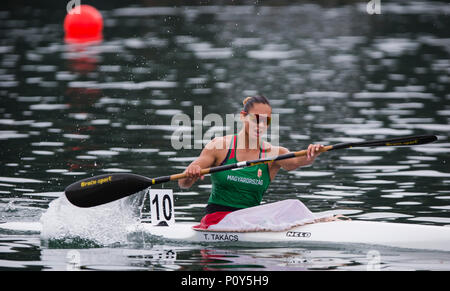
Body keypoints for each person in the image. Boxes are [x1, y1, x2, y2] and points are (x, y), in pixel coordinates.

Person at [178, 95, 345, 229]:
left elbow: (297, 162)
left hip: (252, 221)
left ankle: (324, 223)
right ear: (243, 117)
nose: (261, 125)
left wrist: (312, 153)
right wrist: (191, 173)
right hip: (217, 220)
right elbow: (183, 183)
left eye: (266, 121)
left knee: (294, 205)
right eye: (256, 119)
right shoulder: (219, 147)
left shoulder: (274, 153)